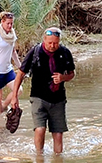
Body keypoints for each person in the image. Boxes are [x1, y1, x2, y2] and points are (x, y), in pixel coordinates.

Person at [11, 27, 76, 155]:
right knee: (40, 129)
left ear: (59, 41)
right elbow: (20, 74)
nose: (52, 46)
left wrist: (63, 78)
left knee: (58, 133)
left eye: (55, 43)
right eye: (50, 43)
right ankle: (39, 158)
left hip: (58, 99)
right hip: (38, 97)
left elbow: (71, 73)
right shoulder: (35, 52)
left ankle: (58, 161)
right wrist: (14, 96)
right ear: (44, 40)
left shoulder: (65, 53)